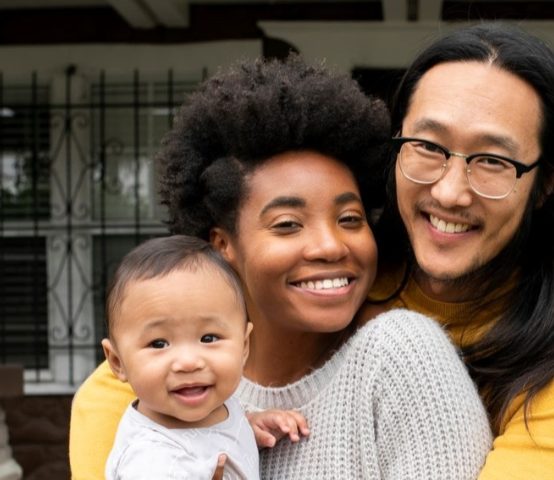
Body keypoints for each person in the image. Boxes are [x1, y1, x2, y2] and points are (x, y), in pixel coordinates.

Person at [69, 55, 493, 480]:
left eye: (350, 219)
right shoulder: (170, 400)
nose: (330, 245)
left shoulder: (400, 357)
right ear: (223, 245)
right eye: (287, 225)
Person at [370, 22, 554, 479]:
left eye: (493, 160)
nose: (450, 193)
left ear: (547, 180)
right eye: (428, 146)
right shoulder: (339, 272)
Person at [101, 235, 309, 480]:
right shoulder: (151, 461)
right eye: (159, 343)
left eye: (209, 338)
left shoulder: (216, 406)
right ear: (117, 362)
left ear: (243, 346)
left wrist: (248, 428)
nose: (189, 362)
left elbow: (208, 440)